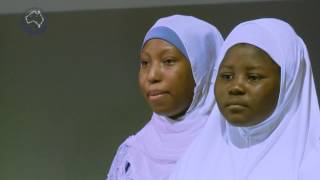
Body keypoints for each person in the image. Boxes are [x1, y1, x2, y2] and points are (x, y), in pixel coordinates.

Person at [169, 18, 320, 180]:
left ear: (289, 83)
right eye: (226, 76)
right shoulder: (195, 160)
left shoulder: (311, 161)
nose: (236, 87)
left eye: (253, 77)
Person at [106, 14, 223, 180]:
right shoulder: (131, 156)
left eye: (168, 61)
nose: (152, 76)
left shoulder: (231, 149)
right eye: (145, 63)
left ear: (204, 68)